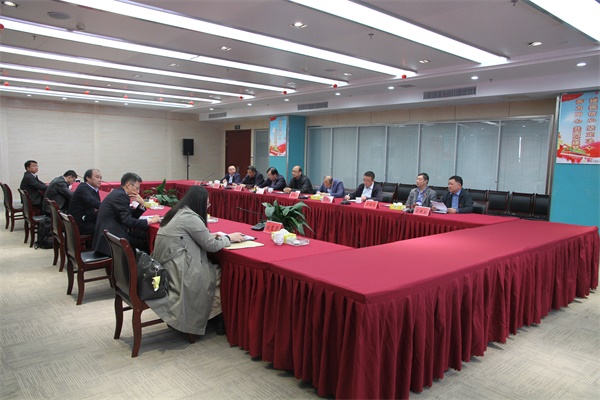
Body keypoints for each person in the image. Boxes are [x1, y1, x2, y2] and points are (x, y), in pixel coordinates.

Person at [147, 186, 244, 336]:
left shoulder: (177, 212)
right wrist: (229, 238)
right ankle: (214, 319)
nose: (208, 207)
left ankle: (210, 316)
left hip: (167, 266)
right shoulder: (190, 218)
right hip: (179, 271)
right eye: (207, 204)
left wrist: (210, 236)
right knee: (220, 274)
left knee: (213, 270)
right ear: (199, 203)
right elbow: (211, 246)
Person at [92, 172, 160, 256]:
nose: (138, 191)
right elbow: (128, 221)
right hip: (112, 239)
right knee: (145, 243)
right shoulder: (121, 196)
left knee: (143, 234)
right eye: (137, 188)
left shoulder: (118, 193)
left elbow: (128, 215)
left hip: (112, 233)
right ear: (128, 185)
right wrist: (150, 221)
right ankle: (142, 263)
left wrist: (141, 204)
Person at [68, 169, 103, 236]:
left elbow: (96, 205)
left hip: (87, 218)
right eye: (97, 177)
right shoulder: (83, 188)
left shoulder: (94, 188)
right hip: (79, 224)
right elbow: (92, 201)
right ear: (88, 178)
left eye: (100, 178)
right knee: (104, 229)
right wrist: (107, 206)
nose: (99, 180)